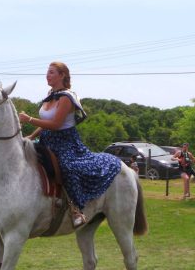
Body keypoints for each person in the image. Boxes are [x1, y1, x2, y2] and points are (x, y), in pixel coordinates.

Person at [18, 61, 122, 228]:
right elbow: (45, 122)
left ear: (62, 75)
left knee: (67, 167)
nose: (47, 75)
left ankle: (76, 209)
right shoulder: (50, 94)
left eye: (51, 72)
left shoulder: (67, 98)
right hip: (47, 140)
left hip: (65, 143)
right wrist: (31, 136)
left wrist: (29, 119)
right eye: (47, 72)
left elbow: (56, 124)